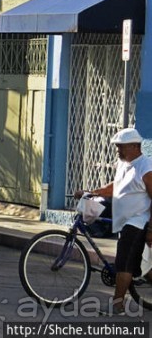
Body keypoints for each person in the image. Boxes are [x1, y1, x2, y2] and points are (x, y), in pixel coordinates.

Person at [74, 127, 152, 315]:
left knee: (124, 263)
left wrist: (150, 229)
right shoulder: (124, 163)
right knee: (139, 265)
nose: (118, 151)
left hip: (138, 222)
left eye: (121, 147)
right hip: (125, 222)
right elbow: (116, 187)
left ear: (134, 146)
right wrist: (92, 192)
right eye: (117, 147)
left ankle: (117, 306)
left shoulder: (146, 167)